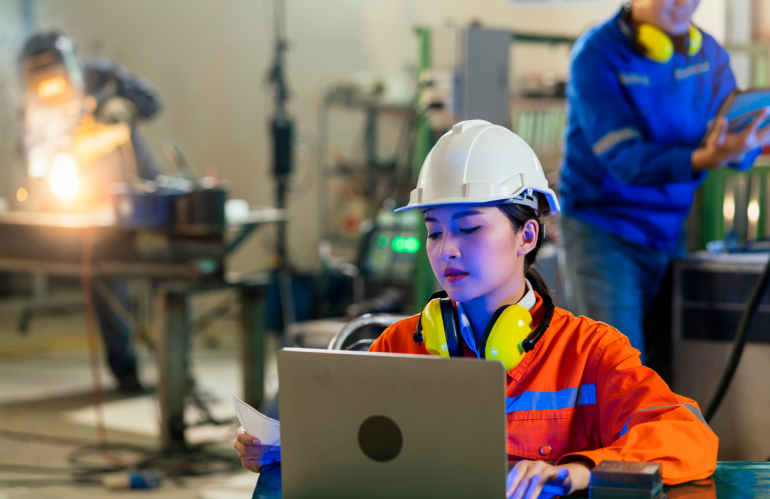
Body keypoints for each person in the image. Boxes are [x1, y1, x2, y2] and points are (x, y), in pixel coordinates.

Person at [235, 121, 717, 498]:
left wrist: (577, 471)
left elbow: (688, 436)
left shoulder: (590, 353)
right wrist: (279, 447)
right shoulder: (400, 346)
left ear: (526, 236)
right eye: (435, 231)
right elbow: (342, 445)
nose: (447, 249)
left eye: (469, 228)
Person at [559, 0, 770, 364]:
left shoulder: (706, 53)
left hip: (671, 232)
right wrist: (705, 158)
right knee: (618, 371)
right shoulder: (596, 54)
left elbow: (729, 132)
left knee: (669, 367)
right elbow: (625, 160)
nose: (684, 3)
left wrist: (743, 146)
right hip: (604, 235)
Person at [19, 31, 162, 391]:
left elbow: (152, 101)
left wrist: (123, 107)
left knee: (168, 279)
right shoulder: (33, 113)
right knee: (106, 281)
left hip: (142, 193)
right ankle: (125, 371)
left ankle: (176, 368)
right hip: (93, 205)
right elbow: (31, 157)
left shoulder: (102, 76)